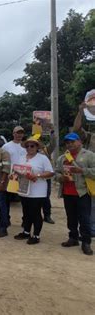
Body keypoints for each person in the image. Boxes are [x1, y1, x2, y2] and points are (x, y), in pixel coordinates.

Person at [55, 133, 94, 255]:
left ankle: (86, 242)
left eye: (72, 141)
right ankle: (73, 238)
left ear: (79, 142)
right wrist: (62, 178)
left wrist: (82, 170)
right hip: (67, 192)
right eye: (67, 142)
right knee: (71, 217)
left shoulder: (89, 155)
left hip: (82, 192)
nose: (69, 144)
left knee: (84, 219)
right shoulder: (62, 158)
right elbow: (56, 173)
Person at [13, 137, 54, 245]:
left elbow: (50, 172)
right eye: (27, 146)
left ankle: (36, 235)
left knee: (35, 212)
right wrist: (13, 176)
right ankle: (26, 232)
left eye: (32, 146)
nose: (29, 148)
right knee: (26, 212)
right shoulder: (21, 158)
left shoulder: (42, 158)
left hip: (37, 191)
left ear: (37, 147)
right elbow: (17, 171)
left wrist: (37, 175)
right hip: (24, 189)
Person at [72, 91, 95, 237]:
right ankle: (88, 230)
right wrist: (81, 111)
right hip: (90, 174)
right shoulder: (91, 136)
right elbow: (76, 130)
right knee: (90, 205)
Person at [2, 126, 26, 225]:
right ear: (13, 133)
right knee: (7, 199)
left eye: (21, 133)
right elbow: (3, 160)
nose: (19, 135)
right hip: (10, 176)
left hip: (23, 176)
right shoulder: (6, 146)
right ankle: (6, 219)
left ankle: (25, 221)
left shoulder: (27, 146)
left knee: (24, 200)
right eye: (17, 132)